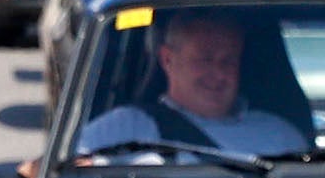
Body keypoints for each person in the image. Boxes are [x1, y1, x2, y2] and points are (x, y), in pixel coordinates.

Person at [74, 10, 307, 159]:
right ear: (167, 60)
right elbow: (53, 175)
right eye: (204, 59)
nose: (217, 72)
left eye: (228, 61)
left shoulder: (281, 136)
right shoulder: (126, 127)